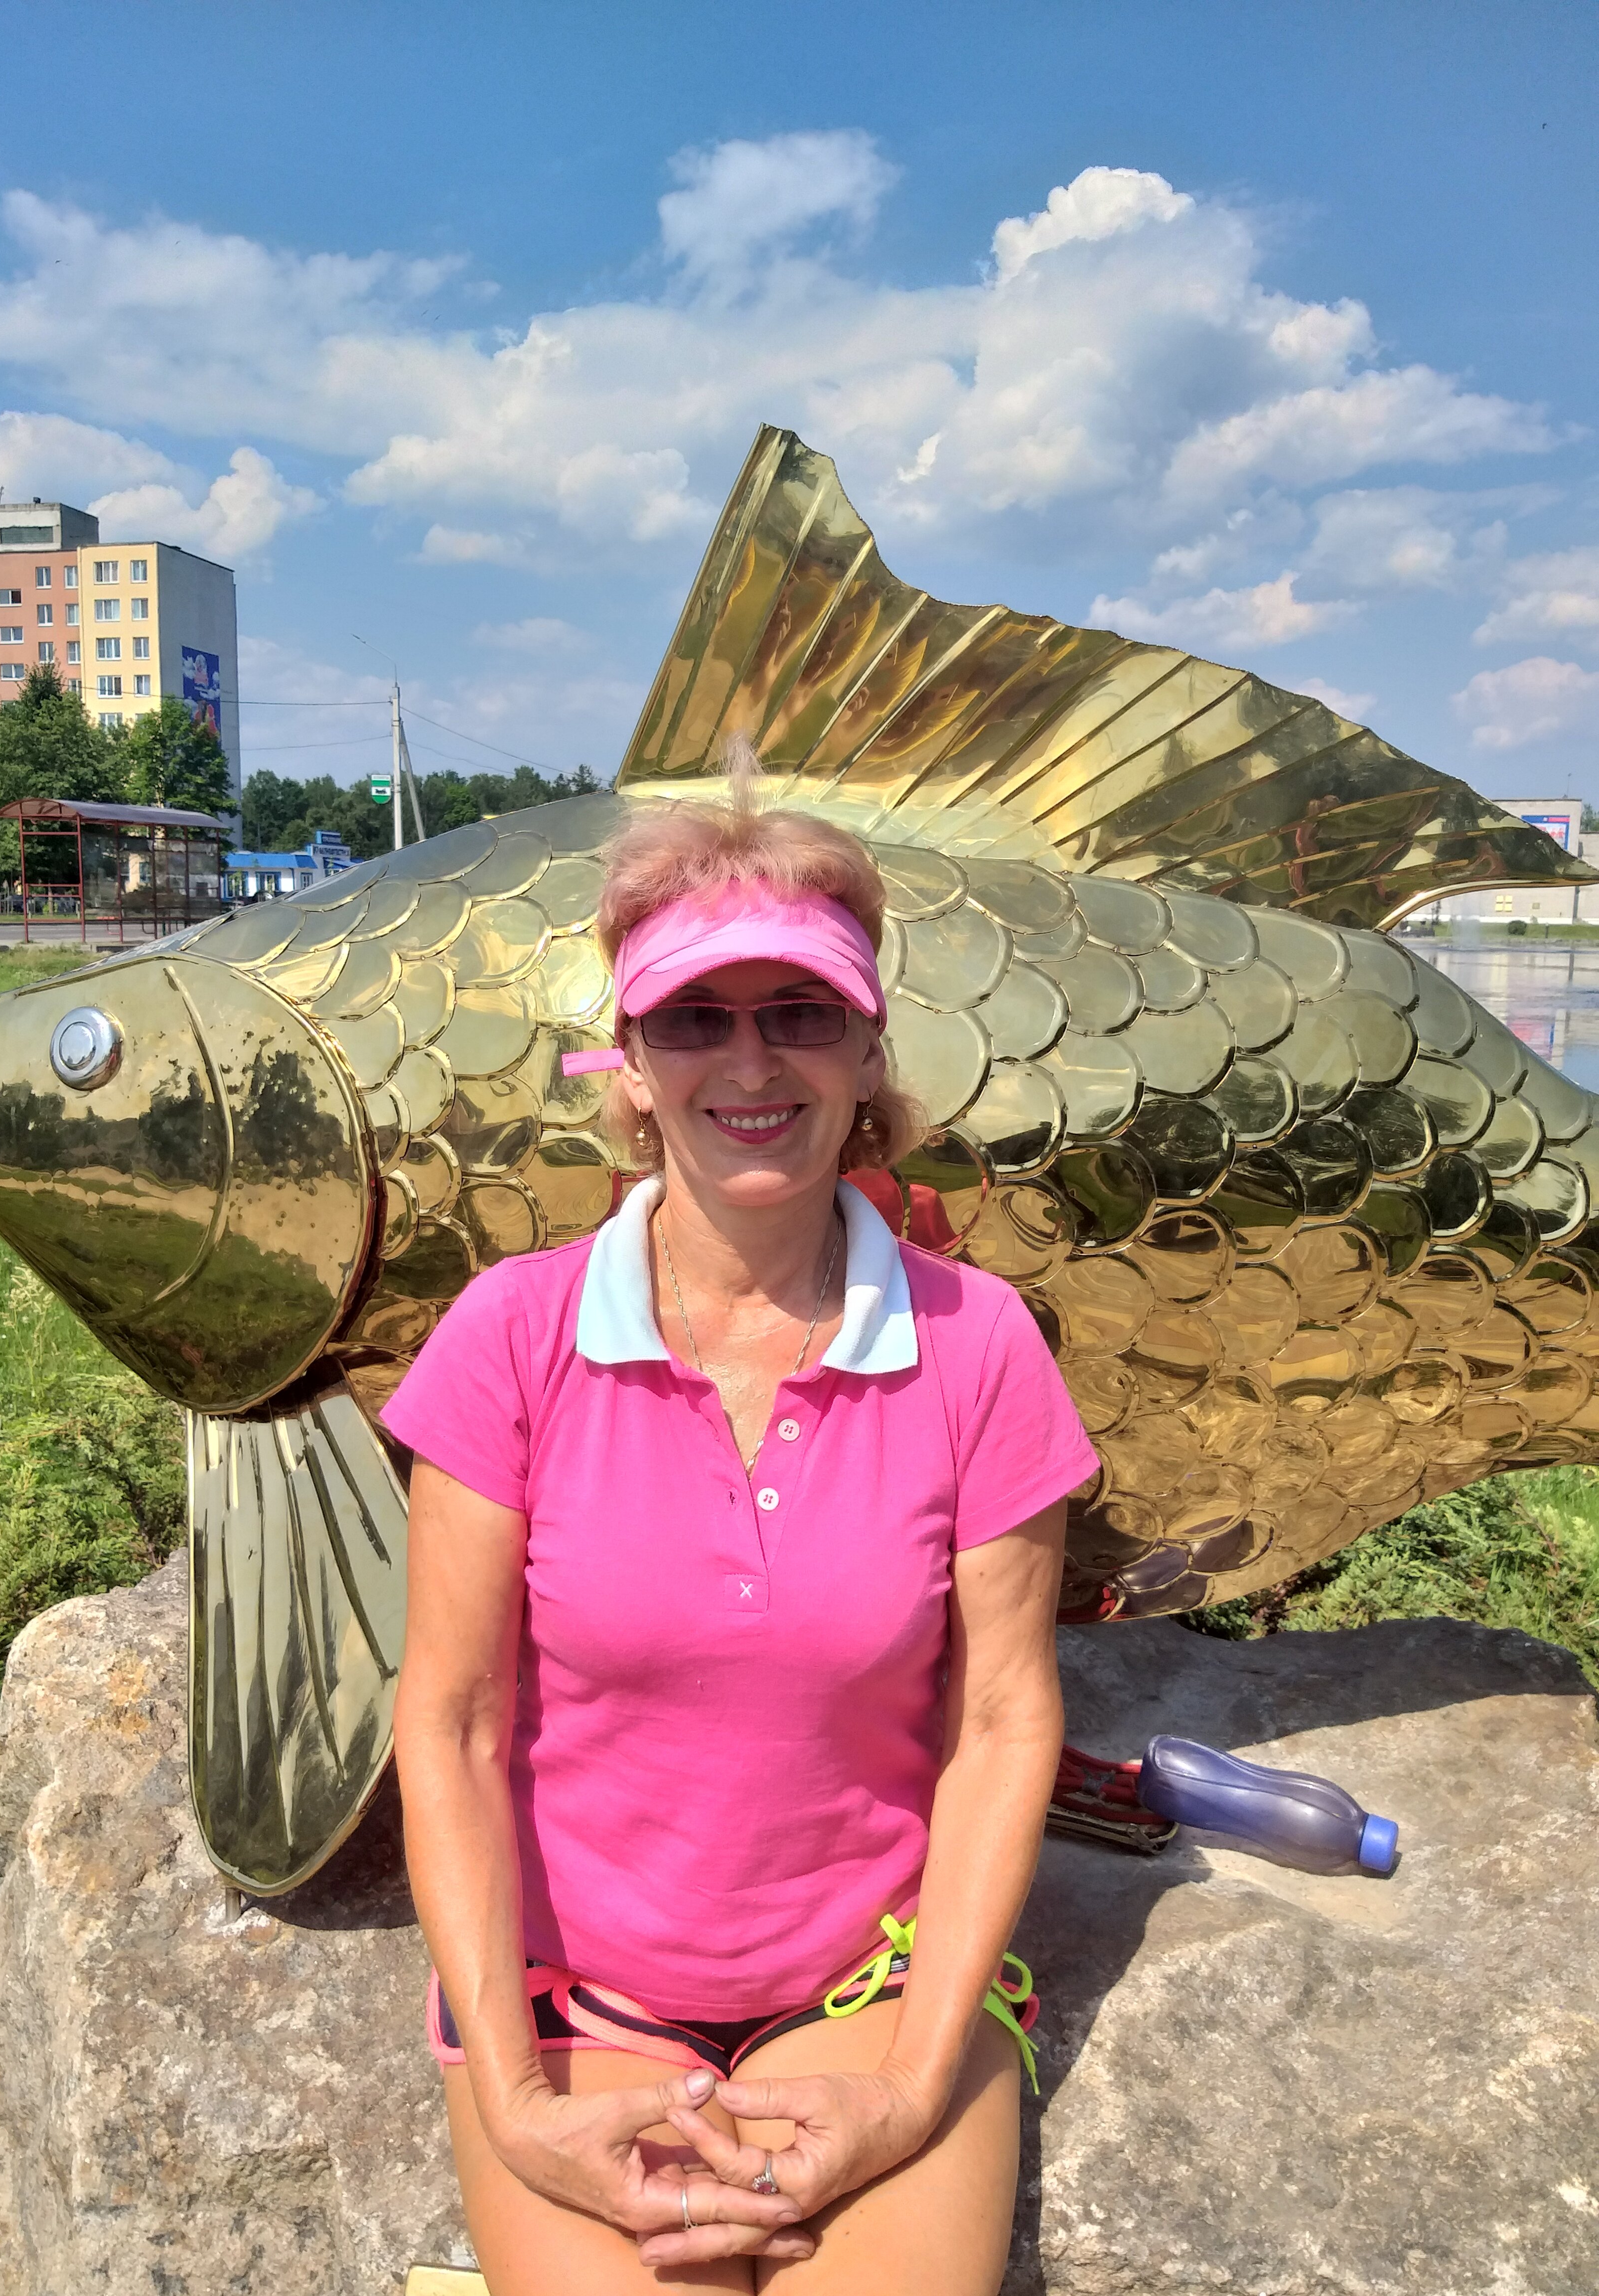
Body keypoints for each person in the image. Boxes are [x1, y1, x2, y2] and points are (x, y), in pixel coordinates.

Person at [385, 758, 1098, 2294]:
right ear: (632, 1060)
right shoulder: (510, 1338)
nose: (750, 1060)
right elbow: (448, 1722)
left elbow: (1002, 1719)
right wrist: (515, 2106)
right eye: (695, 1018)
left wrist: (913, 2083)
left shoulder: (979, 1346)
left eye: (801, 1012)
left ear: (868, 1045)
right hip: (578, 2002)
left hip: (872, 1988)